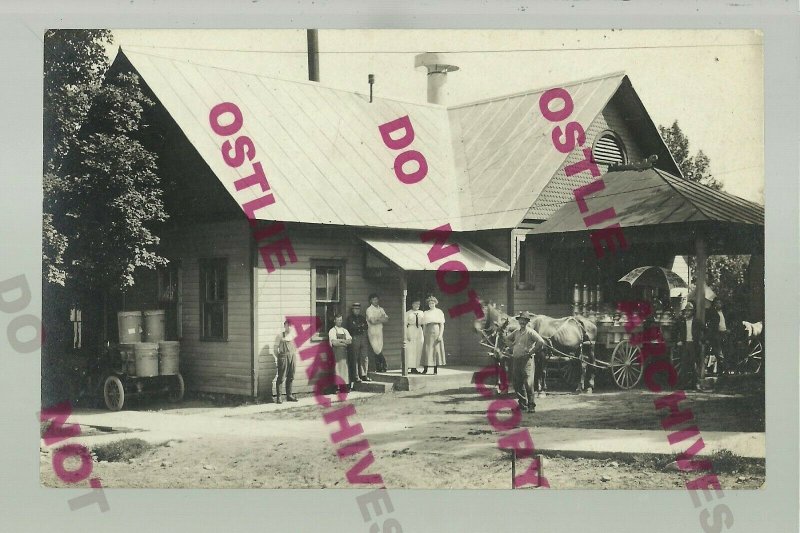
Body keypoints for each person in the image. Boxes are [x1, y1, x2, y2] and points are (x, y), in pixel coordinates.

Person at [504, 312, 545, 413]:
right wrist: (512, 346)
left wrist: (531, 351)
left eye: (524, 320)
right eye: (520, 320)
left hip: (527, 361)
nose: (522, 322)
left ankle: (531, 406)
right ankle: (522, 405)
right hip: (516, 360)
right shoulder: (517, 332)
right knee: (517, 383)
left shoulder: (530, 332)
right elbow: (507, 339)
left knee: (528, 383)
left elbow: (541, 342)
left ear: (527, 322)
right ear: (518, 321)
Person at [675, 302, 706, 391]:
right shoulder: (681, 321)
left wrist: (702, 340)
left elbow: (705, 330)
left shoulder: (697, 321)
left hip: (694, 345)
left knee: (694, 365)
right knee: (684, 365)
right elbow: (675, 330)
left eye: (689, 311)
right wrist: (678, 341)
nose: (687, 313)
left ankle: (695, 384)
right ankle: (683, 385)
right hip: (685, 345)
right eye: (686, 311)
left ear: (692, 312)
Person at [273, 320, 298, 403]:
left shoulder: (293, 335)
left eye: (291, 326)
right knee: (281, 376)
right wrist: (280, 357)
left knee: (291, 376)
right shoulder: (280, 336)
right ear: (285, 326)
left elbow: (296, 346)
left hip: (292, 356)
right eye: (288, 325)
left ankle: (289, 395)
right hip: (283, 357)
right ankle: (279, 397)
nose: (289, 327)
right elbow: (275, 349)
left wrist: (293, 355)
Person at [420, 295, 446, 374]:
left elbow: (442, 324)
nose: (431, 305)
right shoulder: (426, 312)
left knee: (435, 350)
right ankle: (425, 369)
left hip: (436, 330)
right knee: (427, 349)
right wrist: (423, 334)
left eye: (433, 303)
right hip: (428, 331)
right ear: (428, 304)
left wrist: (440, 335)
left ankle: (435, 370)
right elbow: (424, 325)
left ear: (435, 303)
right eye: (430, 303)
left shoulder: (439, 311)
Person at [346, 302, 371, 382]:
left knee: (364, 357)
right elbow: (351, 328)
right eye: (355, 309)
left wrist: (358, 327)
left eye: (358, 309)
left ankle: (364, 375)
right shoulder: (350, 318)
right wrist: (360, 327)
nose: (357, 311)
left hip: (362, 338)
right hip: (355, 338)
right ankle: (356, 376)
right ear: (352, 310)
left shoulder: (362, 318)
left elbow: (366, 326)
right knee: (355, 357)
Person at [328, 314, 353, 393]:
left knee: (345, 369)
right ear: (335, 320)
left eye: (341, 320)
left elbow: (350, 341)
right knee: (337, 369)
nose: (340, 321)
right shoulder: (332, 330)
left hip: (344, 353)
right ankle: (336, 388)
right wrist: (344, 342)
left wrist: (340, 341)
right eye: (338, 320)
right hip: (336, 353)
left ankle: (344, 387)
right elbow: (334, 343)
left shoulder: (344, 330)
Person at [366, 293, 389, 372]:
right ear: (370, 301)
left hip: (379, 330)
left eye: (376, 299)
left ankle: (379, 367)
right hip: (372, 331)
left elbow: (386, 319)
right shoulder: (369, 309)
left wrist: (377, 319)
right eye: (374, 300)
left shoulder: (381, 309)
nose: (375, 301)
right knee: (376, 348)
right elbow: (372, 321)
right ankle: (384, 364)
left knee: (379, 348)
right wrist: (380, 318)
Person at [705, 299, 728, 373]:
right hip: (716, 334)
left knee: (725, 350)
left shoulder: (724, 312)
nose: (719, 304)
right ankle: (722, 369)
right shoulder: (712, 312)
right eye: (717, 303)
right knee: (718, 352)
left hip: (724, 333)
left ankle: (724, 368)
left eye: (720, 303)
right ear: (714, 304)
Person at [404, 298, 424, 374]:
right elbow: (405, 324)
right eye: (415, 304)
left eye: (418, 304)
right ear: (412, 304)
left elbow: (424, 322)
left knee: (418, 348)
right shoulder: (408, 313)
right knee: (411, 349)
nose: (417, 305)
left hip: (419, 330)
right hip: (411, 330)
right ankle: (409, 366)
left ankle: (415, 367)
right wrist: (407, 334)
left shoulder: (421, 312)